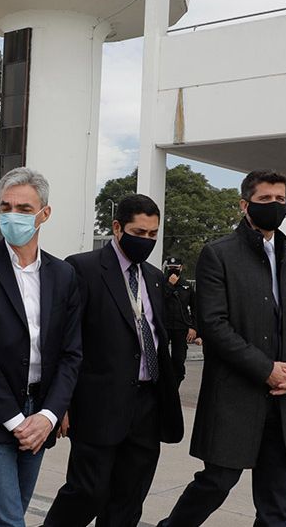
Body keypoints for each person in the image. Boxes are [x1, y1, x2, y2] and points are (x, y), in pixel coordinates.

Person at [157, 170, 286, 527]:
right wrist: (266, 369)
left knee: (277, 502)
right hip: (236, 395)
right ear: (245, 205)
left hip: (283, 397)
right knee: (217, 483)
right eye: (265, 200)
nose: (274, 206)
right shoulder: (218, 254)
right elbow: (214, 325)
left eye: (280, 200)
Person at [0, 167, 84, 527]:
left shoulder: (63, 275)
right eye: (5, 206)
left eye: (24, 209)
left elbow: (72, 352)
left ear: (45, 213)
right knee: (8, 521)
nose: (13, 215)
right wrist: (15, 420)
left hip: (40, 413)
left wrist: (49, 415)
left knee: (6, 517)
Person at [42, 194, 183, 527]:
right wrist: (59, 403)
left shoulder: (154, 277)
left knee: (128, 500)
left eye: (153, 234)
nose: (146, 240)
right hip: (98, 405)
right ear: (117, 227)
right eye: (139, 232)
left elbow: (156, 334)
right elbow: (62, 340)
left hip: (147, 405)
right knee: (87, 492)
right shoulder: (82, 268)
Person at [161, 261, 196, 381]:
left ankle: (175, 388)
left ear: (181, 268)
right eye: (170, 268)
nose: (173, 270)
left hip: (181, 327)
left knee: (178, 360)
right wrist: (170, 285)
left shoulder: (186, 286)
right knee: (162, 359)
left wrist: (193, 328)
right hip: (164, 327)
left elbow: (195, 308)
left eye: (175, 268)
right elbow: (159, 301)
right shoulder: (161, 283)